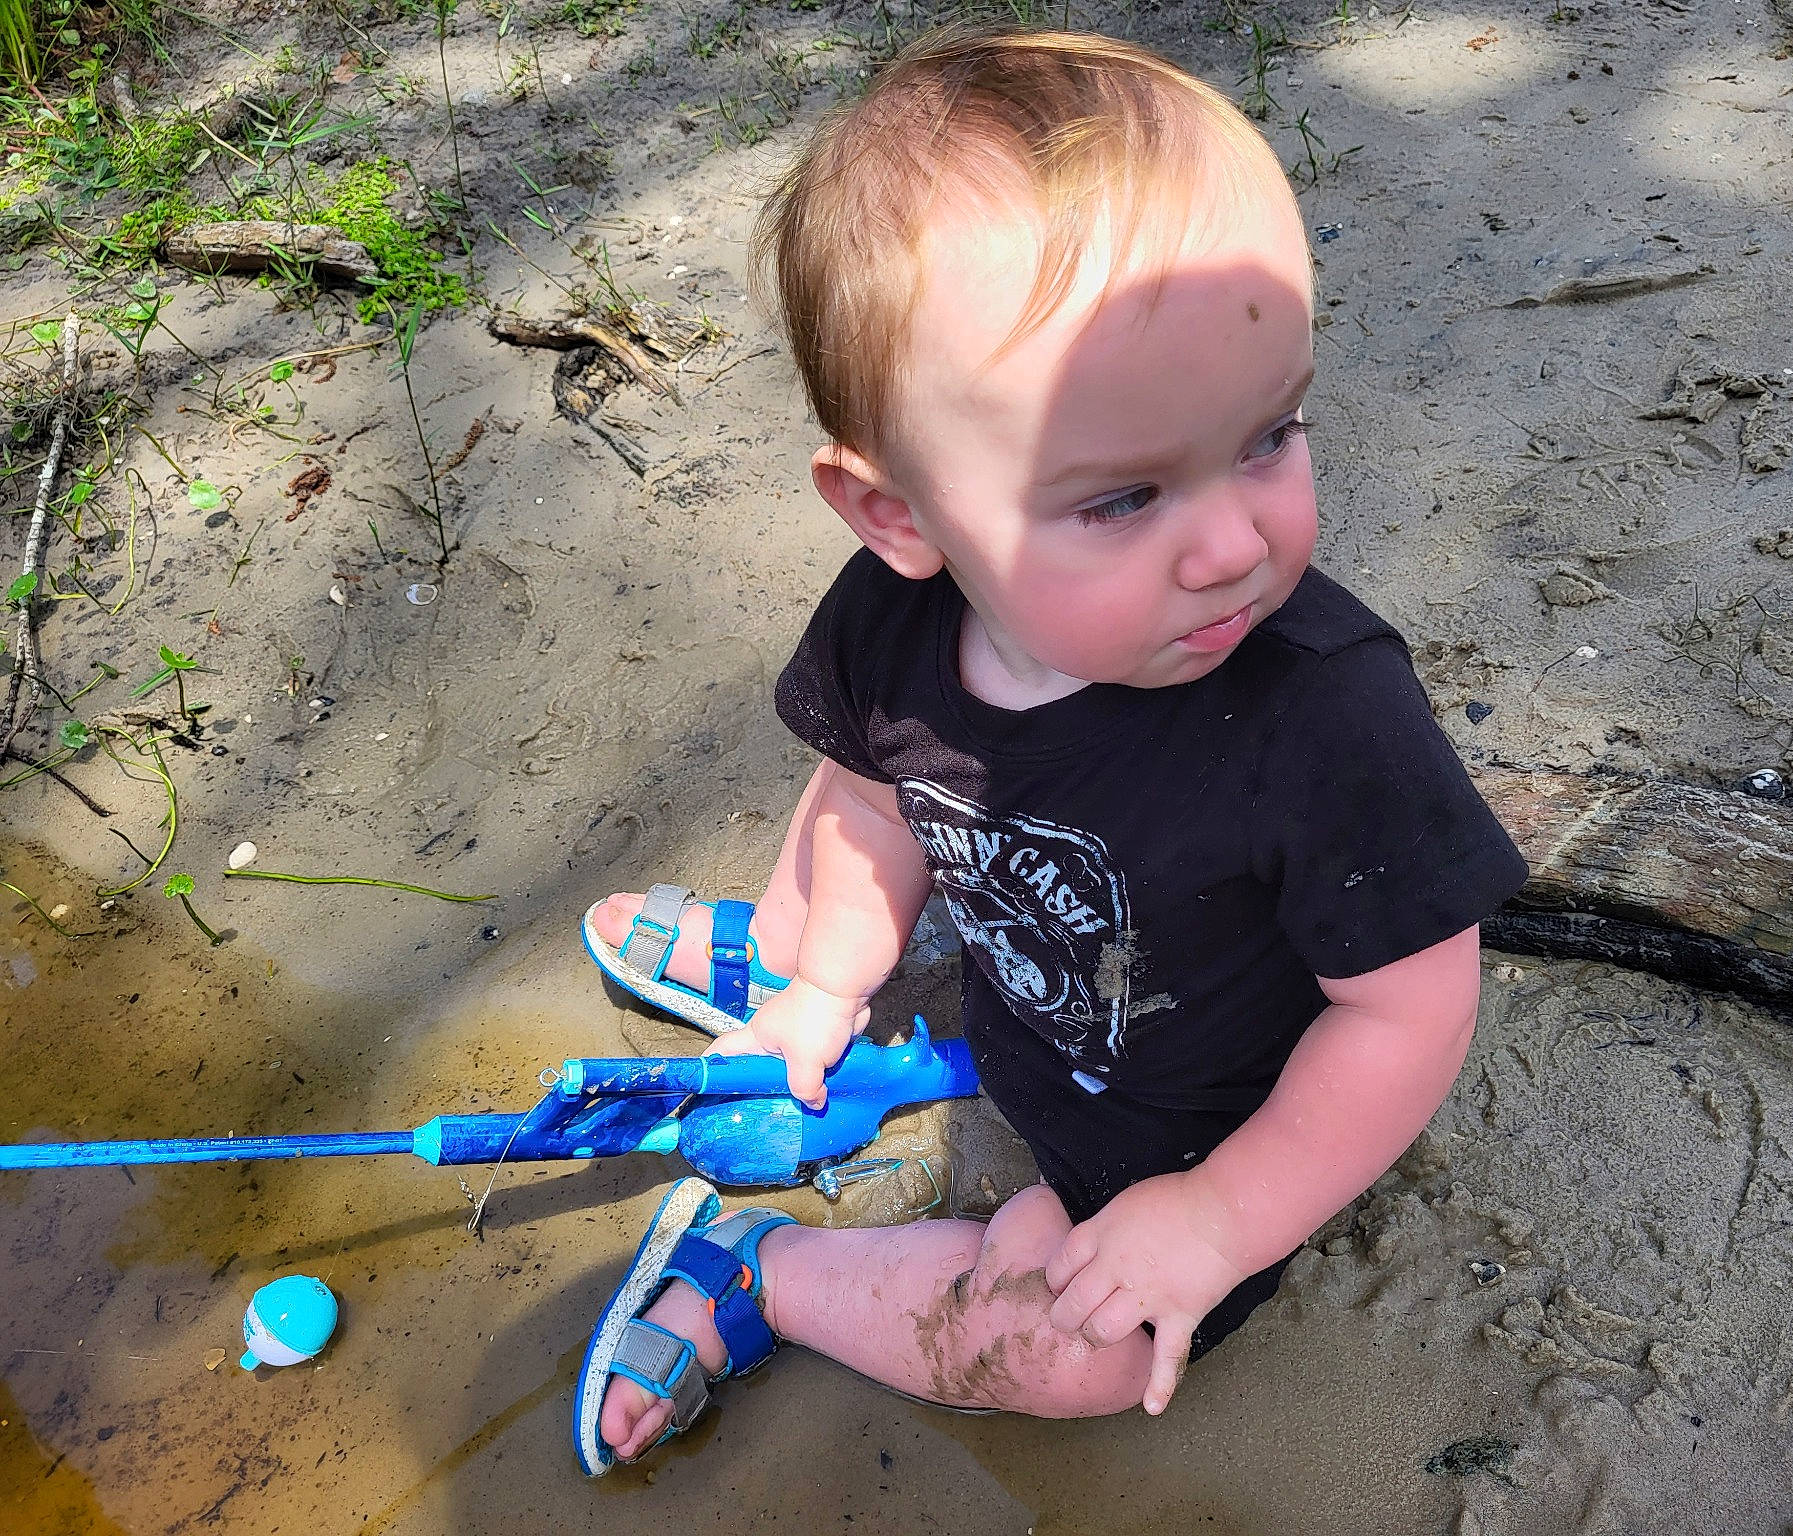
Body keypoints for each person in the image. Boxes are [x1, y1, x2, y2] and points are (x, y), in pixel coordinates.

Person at [569, 24, 1529, 1475]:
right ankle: (784, 980)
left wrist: (1216, 1220)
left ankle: (752, 1270)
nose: (1232, 545)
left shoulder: (1323, 713)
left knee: (1079, 1361)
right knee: (834, 912)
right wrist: (828, 976)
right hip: (1034, 1018)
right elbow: (868, 785)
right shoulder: (899, 622)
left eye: (1271, 435)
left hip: (1195, 1146)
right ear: (903, 520)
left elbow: (1409, 1011)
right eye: (1123, 497)